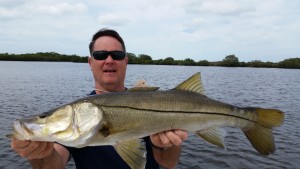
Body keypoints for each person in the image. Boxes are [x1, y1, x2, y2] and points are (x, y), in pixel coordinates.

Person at [11, 28, 188, 169]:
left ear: (125, 62)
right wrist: (42, 155)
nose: (109, 60)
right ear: (90, 62)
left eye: (117, 55)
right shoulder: (77, 116)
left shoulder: (154, 102)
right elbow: (54, 165)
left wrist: (164, 145)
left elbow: (169, 163)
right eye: (100, 55)